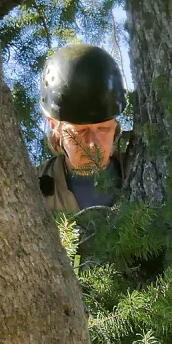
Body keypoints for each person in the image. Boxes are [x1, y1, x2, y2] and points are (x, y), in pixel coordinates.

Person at [38, 43, 127, 215]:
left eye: (103, 129)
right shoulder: (35, 188)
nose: (92, 144)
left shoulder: (138, 169)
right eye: (79, 132)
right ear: (54, 125)